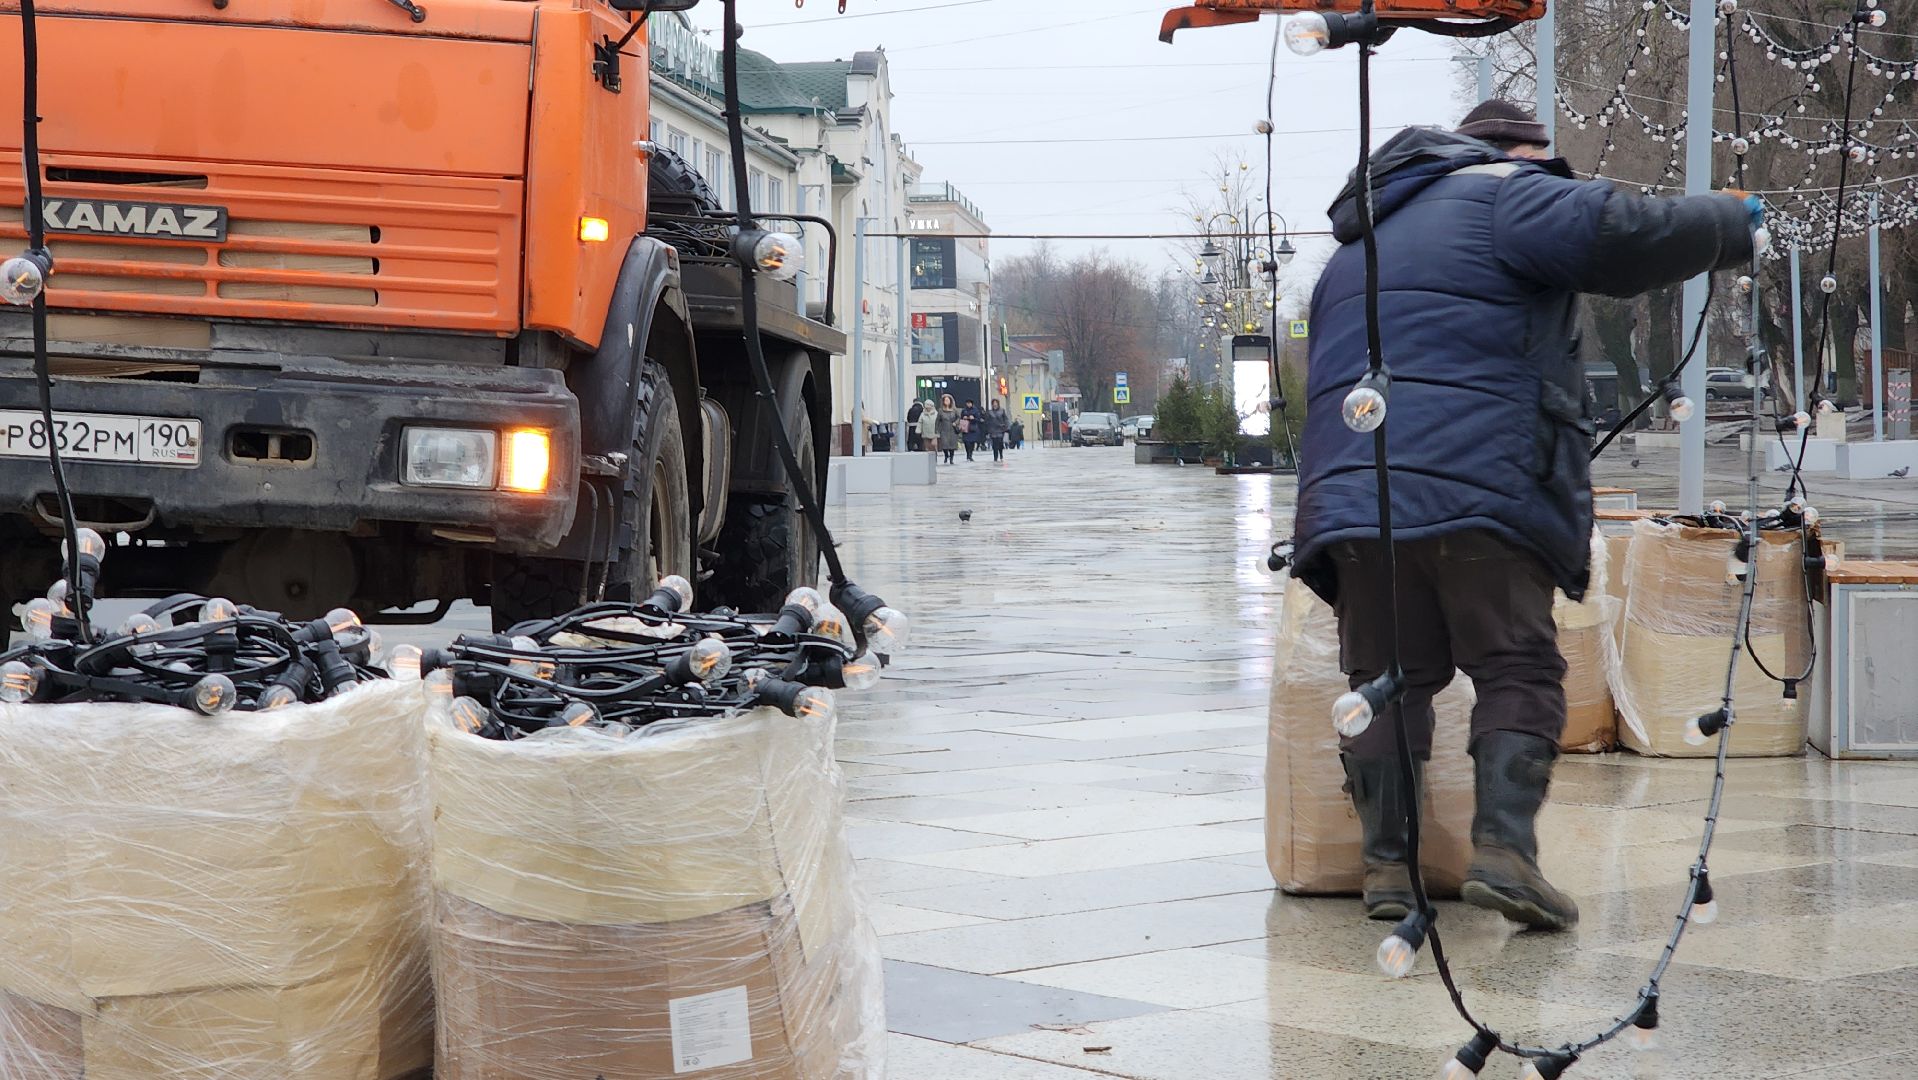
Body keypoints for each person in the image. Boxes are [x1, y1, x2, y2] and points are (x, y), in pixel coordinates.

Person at [1290, 99, 1761, 932]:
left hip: (1353, 500)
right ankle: (1506, 854)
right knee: (1517, 667)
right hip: (1479, 485)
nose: (1556, 173)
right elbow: (1621, 231)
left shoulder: (1355, 244)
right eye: (1545, 157)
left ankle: (1388, 870)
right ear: (1510, 152)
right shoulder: (1503, 191)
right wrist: (1725, 222)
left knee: (1388, 680)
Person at [935, 394, 959, 465]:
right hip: (944, 430)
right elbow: (937, 421)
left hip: (952, 430)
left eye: (948, 400)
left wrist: (955, 422)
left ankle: (951, 459)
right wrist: (936, 430)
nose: (947, 401)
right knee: (945, 445)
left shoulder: (954, 410)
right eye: (945, 400)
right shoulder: (940, 410)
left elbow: (958, 417)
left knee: (952, 445)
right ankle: (946, 455)